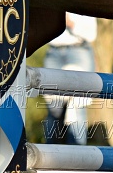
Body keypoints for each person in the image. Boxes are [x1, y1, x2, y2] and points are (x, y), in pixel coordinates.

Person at [42, 13, 98, 146]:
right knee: (53, 108)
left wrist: (70, 23)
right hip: (53, 52)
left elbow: (91, 34)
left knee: (77, 106)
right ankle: (50, 156)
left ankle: (78, 157)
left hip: (78, 50)